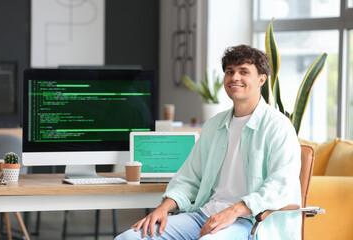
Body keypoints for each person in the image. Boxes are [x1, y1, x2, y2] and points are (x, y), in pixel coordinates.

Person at [115, 45, 302, 240]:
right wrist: (162, 209)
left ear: (261, 79)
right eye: (230, 72)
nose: (235, 77)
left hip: (249, 221)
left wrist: (233, 211)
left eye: (244, 72)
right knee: (129, 238)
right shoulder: (214, 125)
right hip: (204, 215)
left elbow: (280, 186)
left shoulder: (278, 126)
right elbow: (189, 178)